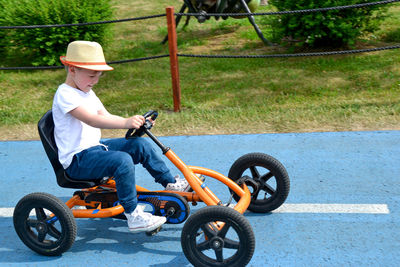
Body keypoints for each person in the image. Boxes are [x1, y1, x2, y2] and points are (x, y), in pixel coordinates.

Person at [52, 40, 189, 233]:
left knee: (140, 144)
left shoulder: (87, 92)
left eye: (98, 76)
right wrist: (125, 122)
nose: (95, 80)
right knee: (122, 160)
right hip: (78, 160)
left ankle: (170, 183)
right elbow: (92, 120)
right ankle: (134, 215)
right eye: (92, 75)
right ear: (72, 69)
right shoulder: (65, 94)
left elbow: (105, 116)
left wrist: (136, 121)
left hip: (96, 149)